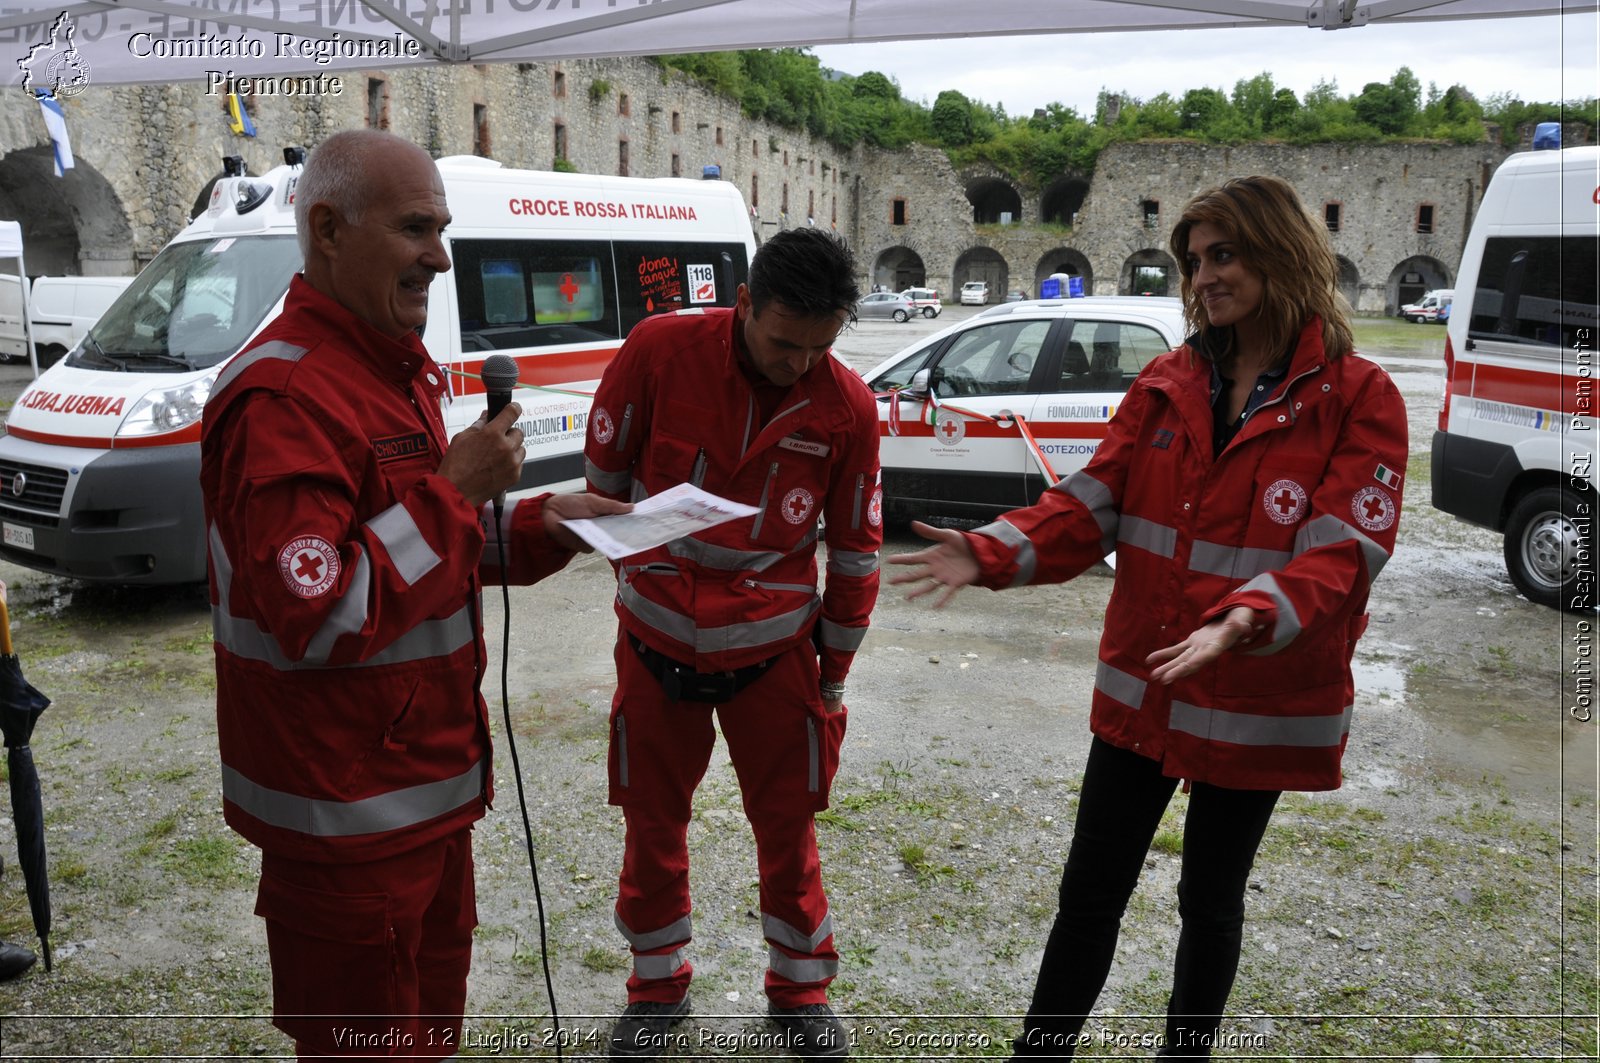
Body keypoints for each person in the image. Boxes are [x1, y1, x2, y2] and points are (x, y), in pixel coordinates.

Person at [889, 175, 1407, 1058]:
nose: (1204, 276)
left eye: (1226, 253)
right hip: (1146, 686)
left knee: (1210, 901)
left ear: (1282, 252)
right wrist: (993, 548)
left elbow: (1342, 552)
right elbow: (1093, 502)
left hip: (1255, 692)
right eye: (1195, 260)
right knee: (1089, 893)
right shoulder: (1170, 379)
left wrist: (1243, 618)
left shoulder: (1359, 397)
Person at [199, 129, 628, 1060]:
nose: (440, 254)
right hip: (348, 824)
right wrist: (454, 491)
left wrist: (547, 524)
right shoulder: (285, 396)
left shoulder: (390, 369)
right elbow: (320, 614)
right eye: (415, 228)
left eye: (442, 227)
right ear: (325, 229)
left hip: (422, 801)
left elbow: (421, 555)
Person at [584, 227, 881, 1061]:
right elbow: (604, 488)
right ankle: (655, 986)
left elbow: (856, 550)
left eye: (819, 348)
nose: (799, 364)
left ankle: (800, 988)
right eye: (785, 342)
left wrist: (833, 675)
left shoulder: (845, 404)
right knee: (652, 820)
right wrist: (639, 583)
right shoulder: (659, 351)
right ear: (742, 302)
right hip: (654, 640)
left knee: (789, 827)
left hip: (775, 656)